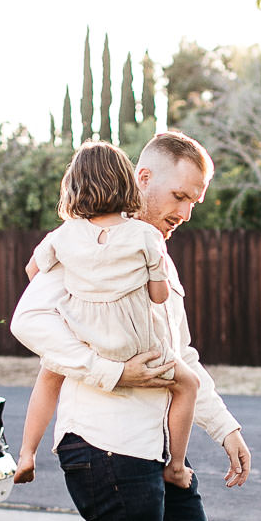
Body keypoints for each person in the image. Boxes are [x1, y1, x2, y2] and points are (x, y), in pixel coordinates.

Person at [10, 130, 254, 521]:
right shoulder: (75, 249)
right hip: (104, 445)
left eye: (196, 202)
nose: (186, 212)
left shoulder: (156, 256)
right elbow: (30, 323)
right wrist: (110, 371)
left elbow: (181, 357)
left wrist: (224, 428)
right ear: (142, 179)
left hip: (157, 448)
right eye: (180, 196)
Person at [13, 141, 198, 492]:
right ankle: (176, 466)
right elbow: (159, 296)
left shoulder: (65, 235)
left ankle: (27, 453)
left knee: (51, 370)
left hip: (91, 338)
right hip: (136, 346)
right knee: (187, 384)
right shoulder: (145, 235)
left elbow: (32, 270)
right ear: (130, 184)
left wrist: (81, 277)